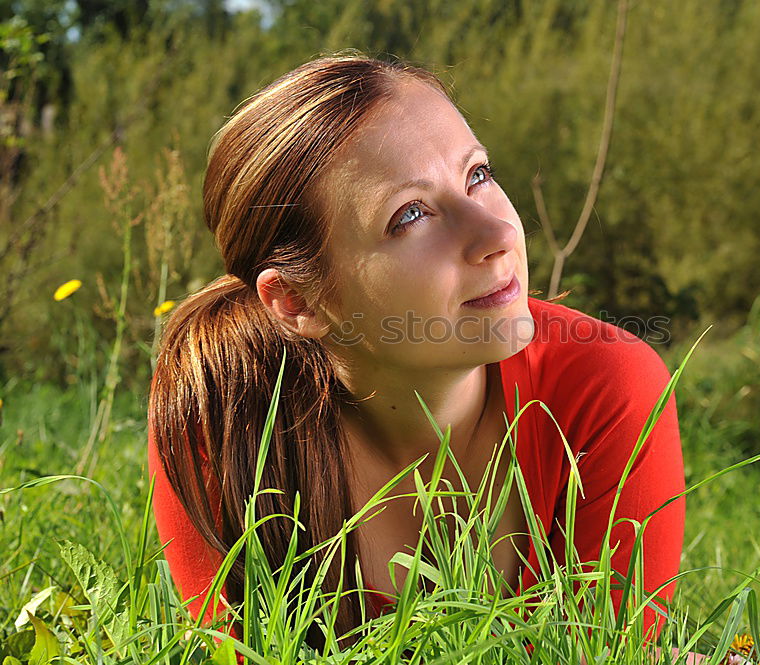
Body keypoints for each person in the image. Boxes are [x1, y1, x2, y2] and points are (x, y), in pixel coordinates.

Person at [147, 54, 686, 653]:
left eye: (477, 174)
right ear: (299, 301)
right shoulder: (219, 421)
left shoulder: (608, 388)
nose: (499, 234)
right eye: (411, 214)